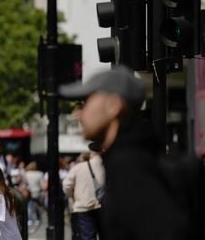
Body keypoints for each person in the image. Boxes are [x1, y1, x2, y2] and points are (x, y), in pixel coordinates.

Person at [59, 66, 205, 239]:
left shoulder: (128, 166)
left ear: (113, 105)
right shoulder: (138, 157)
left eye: (87, 102)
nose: (79, 114)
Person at [62, 152, 104, 240]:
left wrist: (73, 196)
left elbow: (66, 186)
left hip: (84, 206)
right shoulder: (105, 164)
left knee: (88, 236)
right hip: (103, 205)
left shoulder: (78, 167)